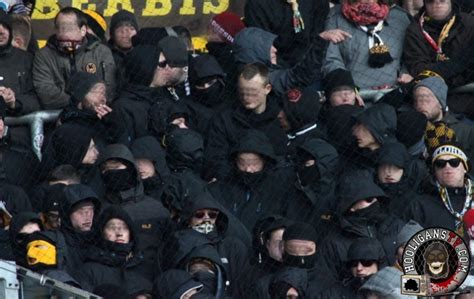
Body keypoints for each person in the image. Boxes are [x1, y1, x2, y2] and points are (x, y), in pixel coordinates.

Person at [99, 143, 172, 279]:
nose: (111, 173)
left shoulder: (156, 210)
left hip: (150, 278)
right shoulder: (100, 210)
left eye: (116, 168)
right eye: (106, 170)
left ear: (131, 170)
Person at [319, 170, 405, 282]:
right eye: (368, 199)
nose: (375, 201)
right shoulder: (333, 244)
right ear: (350, 206)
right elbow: (326, 283)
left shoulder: (395, 226)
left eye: (375, 197)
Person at [205, 63, 287, 180]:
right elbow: (215, 158)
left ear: (267, 89)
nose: (247, 98)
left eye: (253, 92)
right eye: (242, 92)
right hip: (232, 183)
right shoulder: (223, 119)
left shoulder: (279, 119)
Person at [33, 7, 116, 109]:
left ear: (83, 30)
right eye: (59, 28)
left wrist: (92, 103)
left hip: (96, 115)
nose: (64, 34)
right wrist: (79, 103)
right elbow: (45, 92)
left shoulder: (101, 52)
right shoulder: (44, 55)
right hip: (57, 119)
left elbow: (110, 87)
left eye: (69, 29)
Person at [209, 129, 290, 231]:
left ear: (264, 161)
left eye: (254, 163)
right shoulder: (221, 188)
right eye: (242, 163)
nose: (248, 169)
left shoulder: (278, 189)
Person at [323, 0, 412, 89]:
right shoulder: (336, 17)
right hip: (353, 95)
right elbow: (331, 60)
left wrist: (406, 73)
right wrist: (345, 88)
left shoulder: (400, 17)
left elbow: (411, 55)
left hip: (395, 93)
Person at [78, 206, 153, 297]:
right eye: (112, 228)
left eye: (124, 228)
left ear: (131, 233)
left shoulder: (143, 270)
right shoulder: (90, 270)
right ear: (102, 232)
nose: (119, 233)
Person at [233, 27, 326, 96]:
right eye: (268, 48)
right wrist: (319, 42)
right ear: (255, 52)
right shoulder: (260, 79)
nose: (275, 50)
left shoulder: (268, 68)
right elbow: (298, 77)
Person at [252, 222, 335, 298]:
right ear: (283, 248)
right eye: (293, 248)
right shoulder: (265, 284)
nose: (300, 255)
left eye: (306, 250)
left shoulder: (328, 284)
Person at [407, 143, 473, 233]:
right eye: (440, 163)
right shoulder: (419, 205)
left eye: (454, 162)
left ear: (465, 167)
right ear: (435, 171)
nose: (447, 167)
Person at [244, 0, 329, 65]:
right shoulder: (256, 4)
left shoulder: (318, 2)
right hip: (275, 68)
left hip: (311, 64)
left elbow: (319, 33)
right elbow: (262, 49)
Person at [412, 76, 474, 164]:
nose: (419, 104)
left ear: (441, 103)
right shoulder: (412, 131)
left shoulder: (466, 132)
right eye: (416, 100)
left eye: (425, 98)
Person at [59, 71, 126, 147]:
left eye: (103, 93)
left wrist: (113, 123)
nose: (103, 99)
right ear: (79, 97)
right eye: (96, 93)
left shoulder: (104, 121)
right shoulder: (68, 124)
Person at [285, 138, 339, 230]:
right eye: (303, 163)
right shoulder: (293, 187)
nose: (303, 167)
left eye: (308, 164)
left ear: (323, 166)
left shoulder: (337, 196)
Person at [58, 183, 101, 277]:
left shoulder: (100, 240)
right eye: (80, 211)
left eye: (91, 210)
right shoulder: (58, 243)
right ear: (67, 214)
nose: (87, 216)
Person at [375, 142, 426, 217]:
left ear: (404, 168)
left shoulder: (414, 202)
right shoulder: (369, 197)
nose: (389, 172)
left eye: (396, 166)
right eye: (383, 166)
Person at [350, 103, 398, 171]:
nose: (355, 133)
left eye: (363, 129)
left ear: (375, 129)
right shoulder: (354, 154)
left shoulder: (395, 158)